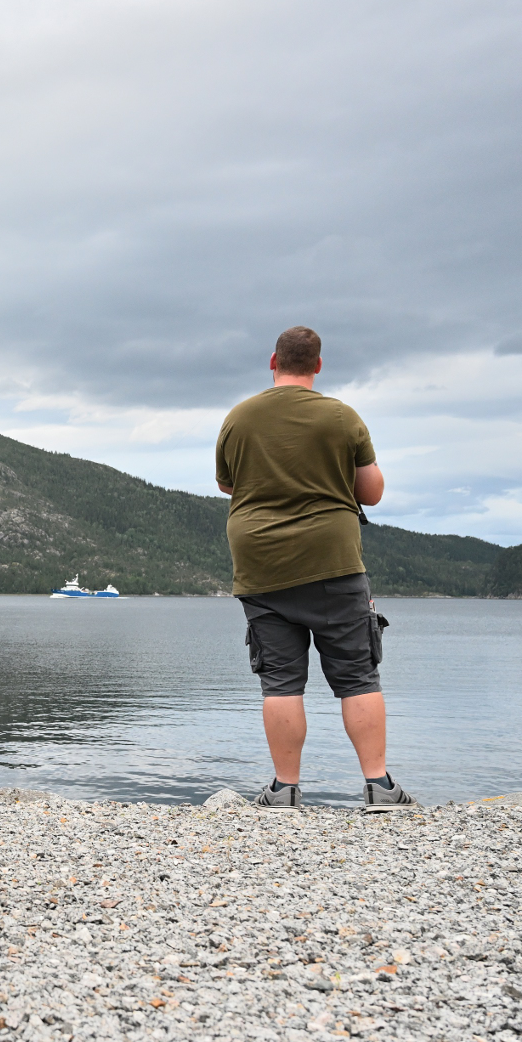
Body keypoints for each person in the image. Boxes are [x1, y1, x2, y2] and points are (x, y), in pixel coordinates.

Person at [214, 326, 418, 813]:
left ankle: (285, 790)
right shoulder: (341, 416)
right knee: (357, 676)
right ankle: (379, 788)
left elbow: (227, 485)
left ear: (273, 361)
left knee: (280, 681)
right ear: (318, 365)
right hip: (332, 562)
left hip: (261, 561)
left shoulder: (239, 418)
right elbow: (371, 492)